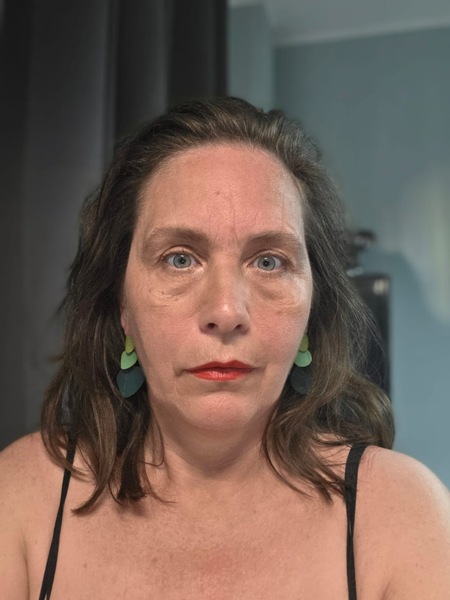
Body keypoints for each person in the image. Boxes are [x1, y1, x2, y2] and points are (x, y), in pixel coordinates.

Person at [0, 97, 449, 599]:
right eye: (179, 259)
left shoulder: (407, 517)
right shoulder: (22, 500)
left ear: (311, 308)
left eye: (269, 262)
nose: (226, 311)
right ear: (122, 305)